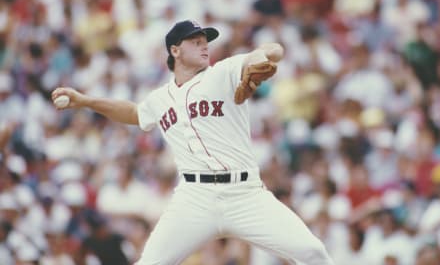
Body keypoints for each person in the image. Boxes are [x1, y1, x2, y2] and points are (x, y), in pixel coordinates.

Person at [51, 20, 335, 265]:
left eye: (205, 42)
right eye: (196, 41)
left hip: (245, 194)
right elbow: (134, 113)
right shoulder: (160, 98)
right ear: (175, 51)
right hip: (195, 197)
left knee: (312, 252)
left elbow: (274, 50)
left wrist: (260, 58)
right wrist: (85, 101)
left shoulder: (222, 73)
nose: (204, 46)